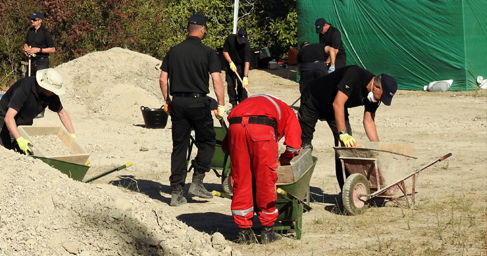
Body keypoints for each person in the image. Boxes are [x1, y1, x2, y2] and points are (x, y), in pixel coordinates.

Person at [159, 13, 226, 207]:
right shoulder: (208, 53)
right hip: (198, 103)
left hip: (178, 103)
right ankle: (197, 181)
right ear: (203, 29)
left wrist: (167, 101)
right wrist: (221, 104)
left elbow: (163, 79)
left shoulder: (174, 51)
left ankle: (176, 192)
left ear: (188, 29)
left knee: (179, 146)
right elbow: (216, 80)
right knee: (208, 141)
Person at [298, 65, 397, 188]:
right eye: (382, 97)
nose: (380, 100)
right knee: (304, 145)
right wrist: (343, 133)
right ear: (377, 87)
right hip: (313, 100)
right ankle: (299, 188)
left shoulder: (373, 97)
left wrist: (377, 148)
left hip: (334, 108)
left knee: (346, 148)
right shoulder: (354, 74)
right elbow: (338, 103)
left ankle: (347, 190)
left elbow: (369, 121)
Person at [226, 94, 301, 245]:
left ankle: (244, 233)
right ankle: (267, 231)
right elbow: (293, 146)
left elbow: (227, 146)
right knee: (265, 179)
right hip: (262, 132)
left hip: (235, 128)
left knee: (241, 180)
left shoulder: (248, 103)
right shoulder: (288, 111)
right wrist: (285, 159)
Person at [0, 68, 76, 153]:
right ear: (44, 85)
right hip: (5, 122)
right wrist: (20, 140)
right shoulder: (24, 87)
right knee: (8, 151)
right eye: (52, 90)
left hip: (24, 121)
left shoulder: (50, 94)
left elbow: (61, 112)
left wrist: (72, 134)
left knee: (27, 152)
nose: (54, 93)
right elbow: (8, 118)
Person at [222, 28, 251, 107]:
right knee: (231, 85)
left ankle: (243, 105)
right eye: (240, 40)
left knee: (242, 85)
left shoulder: (246, 45)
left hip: (241, 65)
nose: (241, 42)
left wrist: (245, 76)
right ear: (237, 36)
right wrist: (230, 62)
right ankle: (234, 104)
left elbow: (247, 62)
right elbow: (225, 51)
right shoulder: (230, 39)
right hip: (230, 63)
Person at [23, 11, 56, 77]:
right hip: (31, 61)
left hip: (42, 61)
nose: (32, 21)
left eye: (34, 20)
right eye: (31, 19)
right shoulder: (30, 31)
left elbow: (52, 49)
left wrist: (38, 50)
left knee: (40, 82)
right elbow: (26, 43)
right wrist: (26, 49)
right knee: (29, 81)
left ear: (40, 21)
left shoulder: (45, 32)